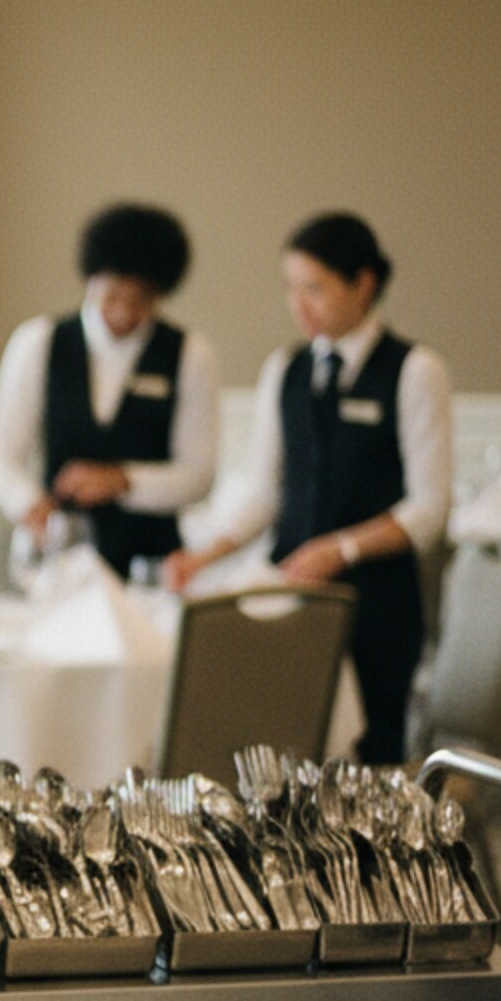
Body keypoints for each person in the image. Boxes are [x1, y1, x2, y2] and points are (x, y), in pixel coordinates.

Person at [166, 213, 452, 764]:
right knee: (285, 752)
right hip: (291, 605)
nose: (300, 306)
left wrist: (339, 550)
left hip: (377, 609)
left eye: (315, 289)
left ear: (363, 284)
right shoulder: (287, 369)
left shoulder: (415, 371)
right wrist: (204, 556)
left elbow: (428, 509)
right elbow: (266, 492)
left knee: (368, 765)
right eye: (291, 290)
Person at [0, 203, 219, 578]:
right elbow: (0, 457)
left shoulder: (190, 355)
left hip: (151, 564)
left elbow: (199, 477)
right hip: (61, 560)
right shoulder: (39, 342)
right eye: (112, 295)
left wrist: (124, 481)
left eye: (139, 300)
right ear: (91, 280)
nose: (123, 311)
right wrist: (27, 503)